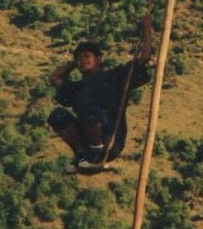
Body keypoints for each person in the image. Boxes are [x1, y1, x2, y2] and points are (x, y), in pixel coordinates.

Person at [48, 15, 155, 172]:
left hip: (110, 139)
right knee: (57, 115)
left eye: (87, 57)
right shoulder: (78, 87)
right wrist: (74, 62)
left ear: (98, 59)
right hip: (86, 137)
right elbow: (54, 77)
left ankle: (97, 152)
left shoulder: (115, 76)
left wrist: (146, 28)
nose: (82, 60)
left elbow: (144, 57)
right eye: (79, 59)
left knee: (88, 105)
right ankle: (83, 156)